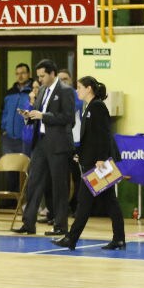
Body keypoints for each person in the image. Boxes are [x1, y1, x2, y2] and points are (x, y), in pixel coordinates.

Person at [52, 77, 125, 251]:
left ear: (89, 89)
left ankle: (72, 238)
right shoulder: (88, 107)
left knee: (86, 203)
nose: (77, 91)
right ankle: (118, 239)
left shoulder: (97, 106)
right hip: (94, 161)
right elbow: (90, 138)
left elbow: (103, 134)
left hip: (99, 164)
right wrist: (81, 154)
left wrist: (101, 158)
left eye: (79, 87)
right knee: (108, 202)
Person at [14, 59, 76, 236]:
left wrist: (43, 115)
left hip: (58, 144)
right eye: (39, 76)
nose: (40, 79)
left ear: (52, 74)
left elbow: (68, 118)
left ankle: (60, 225)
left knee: (59, 186)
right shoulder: (41, 90)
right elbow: (38, 113)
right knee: (33, 183)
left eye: (42, 76)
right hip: (40, 142)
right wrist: (29, 115)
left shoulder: (65, 91)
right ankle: (28, 223)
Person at [0, 63, 34, 154]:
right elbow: (4, 112)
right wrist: (4, 129)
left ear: (29, 74)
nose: (20, 76)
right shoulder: (10, 92)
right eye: (17, 74)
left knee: (25, 166)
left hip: (26, 137)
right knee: (8, 166)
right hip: (8, 137)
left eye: (23, 73)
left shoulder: (34, 91)